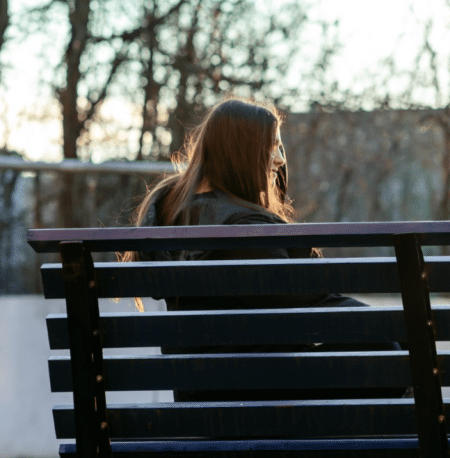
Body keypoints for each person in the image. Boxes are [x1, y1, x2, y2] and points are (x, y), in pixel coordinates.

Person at [123, 99, 401, 401]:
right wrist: (384, 326)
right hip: (254, 400)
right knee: (383, 353)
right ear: (243, 155)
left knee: (385, 347)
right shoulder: (242, 231)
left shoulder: (180, 220)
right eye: (273, 148)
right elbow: (310, 302)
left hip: (208, 397)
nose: (280, 160)